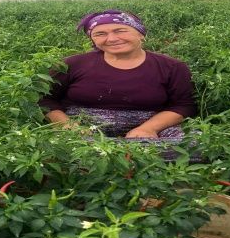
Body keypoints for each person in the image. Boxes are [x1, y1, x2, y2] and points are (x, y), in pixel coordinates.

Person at [38, 9, 197, 146]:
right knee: (57, 148)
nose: (112, 39)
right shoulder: (72, 64)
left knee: (193, 144)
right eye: (100, 34)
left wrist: (148, 128)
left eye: (120, 31)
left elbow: (183, 105)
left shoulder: (172, 67)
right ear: (93, 39)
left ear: (141, 34)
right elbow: (45, 99)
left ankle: (109, 160)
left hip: (148, 129)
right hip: (82, 129)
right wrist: (69, 126)